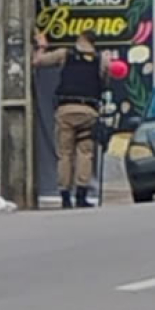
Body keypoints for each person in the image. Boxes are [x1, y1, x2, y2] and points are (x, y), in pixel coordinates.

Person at [34, 29, 110, 209]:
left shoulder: (65, 54)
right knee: (85, 154)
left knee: (65, 154)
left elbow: (37, 62)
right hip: (88, 111)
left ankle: (65, 197)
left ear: (79, 39)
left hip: (66, 110)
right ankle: (82, 195)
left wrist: (41, 46)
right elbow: (105, 83)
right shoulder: (101, 60)